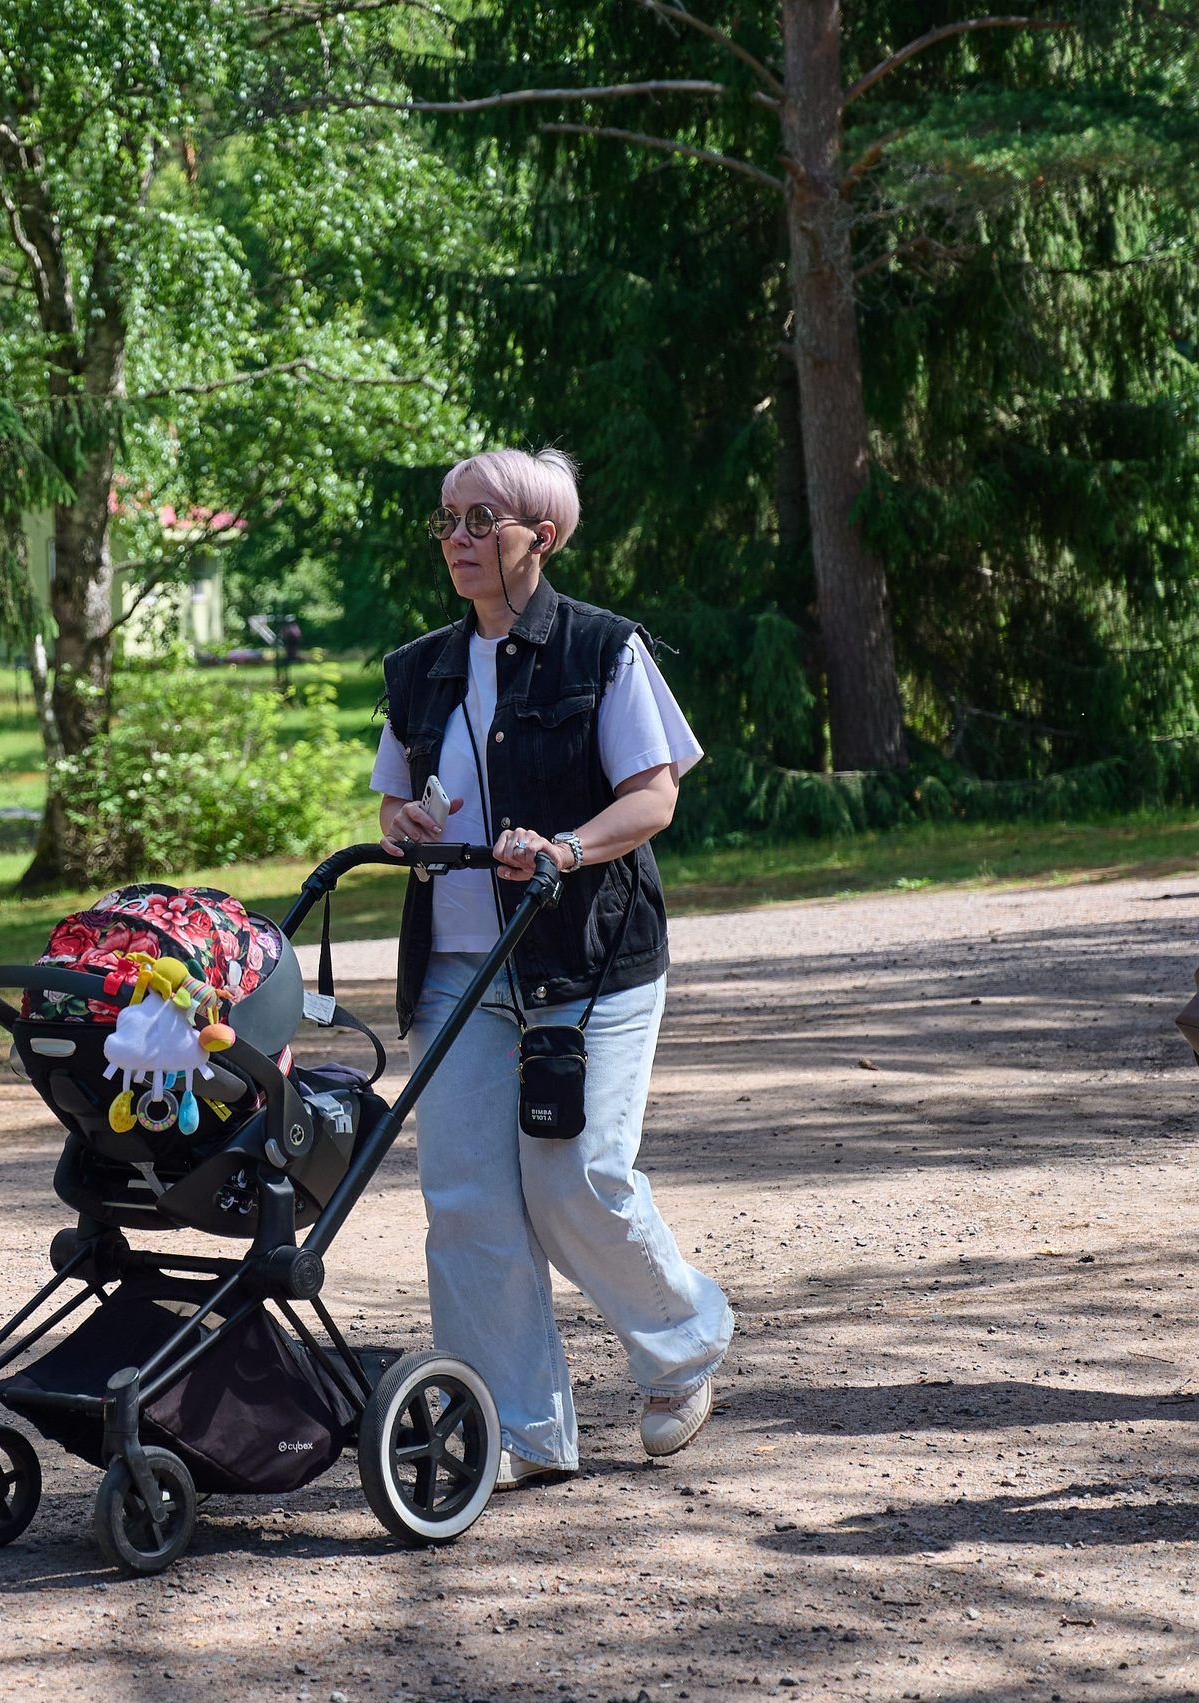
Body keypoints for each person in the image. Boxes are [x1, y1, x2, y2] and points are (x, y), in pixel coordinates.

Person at [370, 446, 732, 1489]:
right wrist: (402, 820)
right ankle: (521, 1427)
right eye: (446, 521)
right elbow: (395, 807)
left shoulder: (601, 649)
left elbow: (652, 796)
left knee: (573, 1172)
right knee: (470, 1196)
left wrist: (569, 846)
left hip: (590, 961)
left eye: (481, 520)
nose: (457, 541)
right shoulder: (418, 668)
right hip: (456, 970)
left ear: (544, 534)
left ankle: (682, 1343)